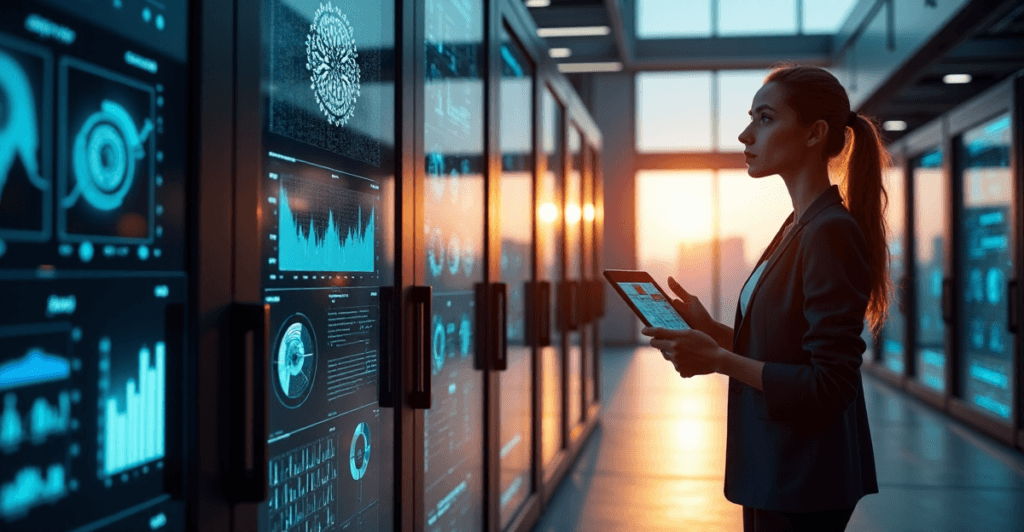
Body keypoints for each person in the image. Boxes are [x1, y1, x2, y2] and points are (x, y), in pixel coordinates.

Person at [642, 64, 891, 532]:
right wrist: (709, 328)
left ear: (814, 133)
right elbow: (784, 347)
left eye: (765, 119)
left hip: (803, 478)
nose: (744, 135)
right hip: (777, 467)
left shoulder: (829, 233)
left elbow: (828, 384)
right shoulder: (796, 226)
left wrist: (717, 358)